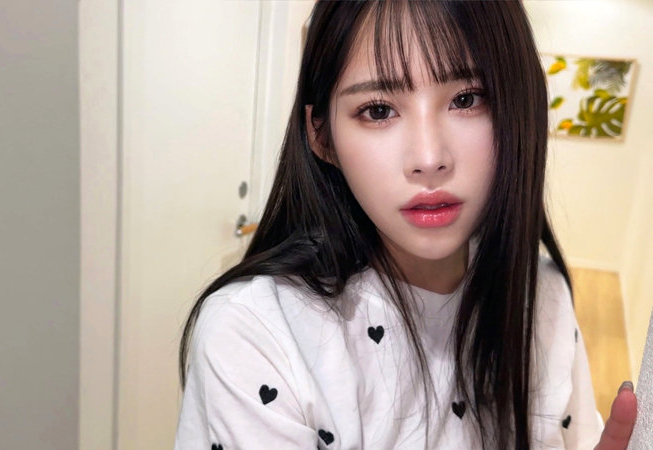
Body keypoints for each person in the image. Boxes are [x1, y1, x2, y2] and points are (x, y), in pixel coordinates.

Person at [174, 1, 637, 449]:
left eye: (467, 99)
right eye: (378, 110)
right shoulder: (257, 333)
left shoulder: (541, 292)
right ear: (322, 136)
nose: (429, 158)